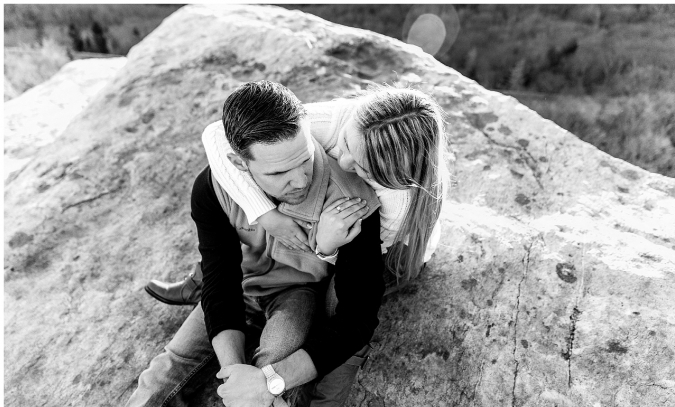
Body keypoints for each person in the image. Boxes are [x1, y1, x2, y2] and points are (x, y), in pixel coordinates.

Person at [85, 80, 385, 407]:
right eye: (278, 174)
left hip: (297, 295)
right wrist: (236, 377)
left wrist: (265, 384)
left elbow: (357, 320)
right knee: (165, 373)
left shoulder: (353, 203)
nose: (300, 180)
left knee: (274, 359)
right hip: (242, 285)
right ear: (238, 164)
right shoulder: (213, 189)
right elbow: (221, 283)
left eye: (305, 159)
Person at [147, 85, 450, 307]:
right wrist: (264, 213)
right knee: (260, 183)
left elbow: (355, 254)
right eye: (345, 144)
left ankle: (280, 309)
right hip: (325, 209)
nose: (343, 162)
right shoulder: (343, 119)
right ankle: (214, 282)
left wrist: (325, 246)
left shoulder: (396, 204)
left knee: (334, 307)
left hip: (379, 253)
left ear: (392, 176)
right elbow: (217, 134)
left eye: (363, 168)